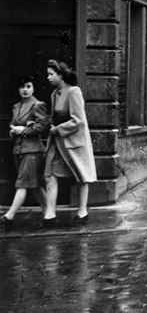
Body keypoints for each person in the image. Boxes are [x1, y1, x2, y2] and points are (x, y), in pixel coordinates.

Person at [41, 60, 96, 227]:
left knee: (81, 177)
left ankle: (82, 212)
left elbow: (78, 120)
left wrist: (57, 129)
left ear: (61, 75)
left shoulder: (74, 92)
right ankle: (49, 215)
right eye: (48, 74)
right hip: (57, 143)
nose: (48, 77)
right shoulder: (54, 94)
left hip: (74, 143)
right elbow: (54, 116)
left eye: (51, 74)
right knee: (49, 175)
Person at [2, 75, 50, 230]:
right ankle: (49, 214)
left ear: (33, 88)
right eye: (22, 87)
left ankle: (9, 216)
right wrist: (13, 129)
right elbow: (14, 123)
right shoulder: (16, 106)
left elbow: (43, 126)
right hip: (19, 150)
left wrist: (23, 130)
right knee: (35, 186)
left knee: (22, 184)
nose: (25, 90)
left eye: (28, 86)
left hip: (33, 151)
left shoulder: (38, 105)